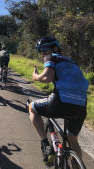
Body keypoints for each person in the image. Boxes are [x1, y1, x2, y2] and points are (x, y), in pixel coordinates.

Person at [29, 36, 89, 166]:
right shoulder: (72, 61)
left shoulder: (51, 57)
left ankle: (46, 145)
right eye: (40, 51)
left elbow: (47, 77)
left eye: (44, 49)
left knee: (32, 108)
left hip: (60, 102)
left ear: (55, 48)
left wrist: (35, 76)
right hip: (81, 104)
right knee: (73, 141)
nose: (42, 53)